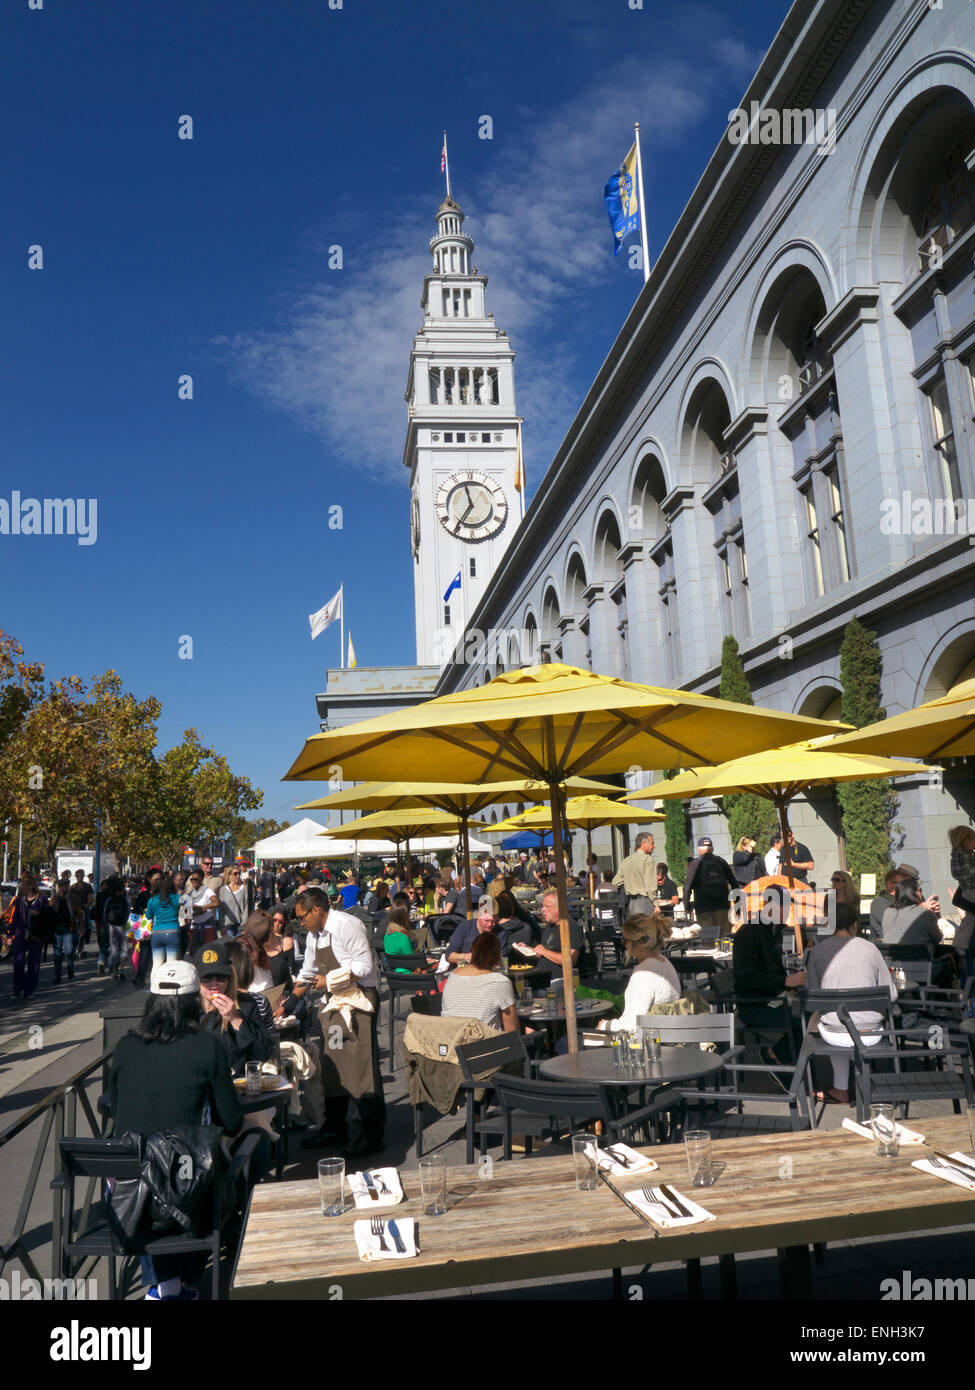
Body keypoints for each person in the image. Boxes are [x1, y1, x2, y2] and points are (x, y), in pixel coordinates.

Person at [108, 958, 244, 1301]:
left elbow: (114, 1104)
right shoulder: (206, 1046)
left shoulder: (126, 1045)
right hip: (185, 1197)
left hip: (126, 1197)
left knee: (152, 1160)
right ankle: (175, 1284)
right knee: (233, 1157)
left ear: (152, 1000)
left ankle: (165, 1286)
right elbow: (232, 1121)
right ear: (190, 1002)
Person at [292, 887, 384, 1160]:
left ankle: (372, 1134)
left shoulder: (347, 925)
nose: (301, 922)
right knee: (332, 1062)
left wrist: (330, 980)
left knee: (360, 1065)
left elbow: (365, 966)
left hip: (358, 1001)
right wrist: (289, 1000)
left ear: (316, 910)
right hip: (333, 1003)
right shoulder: (313, 936)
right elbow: (308, 971)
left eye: (302, 917)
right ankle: (335, 1127)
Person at [804, 902, 895, 1104]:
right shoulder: (871, 948)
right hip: (871, 1034)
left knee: (826, 1020)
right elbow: (891, 994)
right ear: (854, 925)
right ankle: (865, 1082)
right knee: (844, 1022)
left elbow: (811, 996)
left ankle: (841, 1088)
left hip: (835, 1034)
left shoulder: (817, 951)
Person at [731, 884, 806, 1061]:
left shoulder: (773, 930)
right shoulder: (749, 933)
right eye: (784, 905)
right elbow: (747, 977)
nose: (788, 910)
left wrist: (790, 986)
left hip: (771, 1000)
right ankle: (777, 1056)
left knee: (810, 1014)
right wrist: (786, 982)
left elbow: (774, 969)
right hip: (754, 1006)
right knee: (804, 1020)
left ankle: (785, 1059)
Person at [193, 939, 273, 1074]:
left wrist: (236, 1019)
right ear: (196, 978)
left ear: (230, 977)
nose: (214, 984)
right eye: (206, 977)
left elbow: (263, 1053)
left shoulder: (246, 1004)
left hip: (235, 1085)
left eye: (221, 977)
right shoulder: (187, 1007)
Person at [598, 914, 681, 1032]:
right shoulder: (664, 962)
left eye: (624, 940)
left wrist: (608, 1025)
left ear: (635, 942)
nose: (624, 945)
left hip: (646, 1043)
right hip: (667, 1035)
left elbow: (633, 1024)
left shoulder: (643, 973)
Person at [441, 931, 518, 1032]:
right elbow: (512, 1030)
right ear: (497, 956)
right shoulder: (500, 982)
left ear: (472, 951)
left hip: (450, 1041)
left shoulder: (453, 975)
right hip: (482, 1044)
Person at [683, 837, 738, 934]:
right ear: (712, 849)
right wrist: (737, 906)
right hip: (723, 908)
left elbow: (687, 888)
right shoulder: (721, 862)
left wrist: (687, 907)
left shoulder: (695, 864)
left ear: (699, 849)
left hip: (704, 909)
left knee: (709, 942)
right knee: (725, 940)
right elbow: (734, 884)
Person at [869, 863, 938, 938]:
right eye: (904, 883)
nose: (908, 887)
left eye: (912, 883)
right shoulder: (879, 902)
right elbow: (896, 926)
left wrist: (934, 914)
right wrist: (922, 909)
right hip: (890, 947)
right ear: (889, 884)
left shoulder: (915, 897)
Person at [10, 876, 52, 999]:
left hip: (36, 934)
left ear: (30, 886)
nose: (21, 888)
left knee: (33, 963)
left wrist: (38, 914)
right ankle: (17, 988)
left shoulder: (42, 899)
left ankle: (29, 989)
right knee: (18, 961)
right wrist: (10, 934)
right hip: (21, 933)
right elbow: (15, 918)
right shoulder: (19, 900)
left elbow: (48, 915)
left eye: (23, 885)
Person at [534, 888, 583, 978]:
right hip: (542, 978)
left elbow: (570, 960)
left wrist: (544, 952)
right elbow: (545, 951)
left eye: (547, 906)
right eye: (542, 906)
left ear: (559, 908)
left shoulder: (571, 927)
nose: (542, 910)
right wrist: (527, 949)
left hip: (560, 982)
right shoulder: (550, 926)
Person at [446, 895, 501, 964]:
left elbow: (501, 960)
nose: (490, 924)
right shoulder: (465, 927)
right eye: (486, 921)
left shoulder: (500, 932)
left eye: (493, 921)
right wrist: (465, 956)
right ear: (478, 915)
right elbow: (449, 955)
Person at [612, 831, 656, 915]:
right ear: (643, 843)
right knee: (648, 927)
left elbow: (616, 882)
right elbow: (650, 886)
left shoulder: (626, 860)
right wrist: (656, 904)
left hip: (631, 905)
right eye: (652, 843)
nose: (654, 846)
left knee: (635, 928)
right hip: (645, 902)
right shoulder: (648, 859)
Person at [145, 872, 183, 970]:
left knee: (157, 964)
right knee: (171, 965)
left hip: (157, 933)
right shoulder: (178, 898)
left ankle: (154, 984)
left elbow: (148, 916)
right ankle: (169, 984)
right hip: (173, 932)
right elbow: (185, 913)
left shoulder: (152, 900)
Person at [97, 874, 130, 982]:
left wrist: (108, 926)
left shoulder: (109, 899)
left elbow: (104, 915)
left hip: (112, 927)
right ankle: (121, 968)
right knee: (124, 949)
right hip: (123, 927)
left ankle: (114, 971)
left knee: (114, 949)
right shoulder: (126, 900)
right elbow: (128, 914)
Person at [52, 879, 79, 984]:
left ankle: (70, 969)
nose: (63, 888)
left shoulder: (72, 899)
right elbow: (50, 913)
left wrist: (81, 927)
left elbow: (79, 913)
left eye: (65, 885)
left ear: (68, 887)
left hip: (69, 928)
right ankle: (57, 976)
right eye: (61, 886)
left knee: (68, 951)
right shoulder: (54, 899)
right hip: (57, 929)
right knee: (57, 954)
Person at [186, 869, 218, 951]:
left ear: (201, 879)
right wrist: (196, 912)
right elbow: (187, 913)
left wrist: (203, 907)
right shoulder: (190, 894)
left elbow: (216, 903)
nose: (193, 881)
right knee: (195, 954)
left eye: (195, 879)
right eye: (191, 879)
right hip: (194, 928)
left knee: (209, 953)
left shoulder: (208, 891)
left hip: (207, 927)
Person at [218, 865, 254, 939]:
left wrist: (244, 924)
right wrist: (222, 926)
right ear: (229, 875)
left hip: (241, 925)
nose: (238, 876)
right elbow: (221, 910)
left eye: (239, 873)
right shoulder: (223, 890)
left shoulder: (244, 888)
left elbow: (247, 907)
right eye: (235, 874)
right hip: (228, 926)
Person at [383, 904, 421, 971]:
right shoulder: (403, 937)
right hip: (408, 974)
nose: (409, 916)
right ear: (403, 917)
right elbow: (411, 961)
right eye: (408, 914)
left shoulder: (387, 934)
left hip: (394, 975)